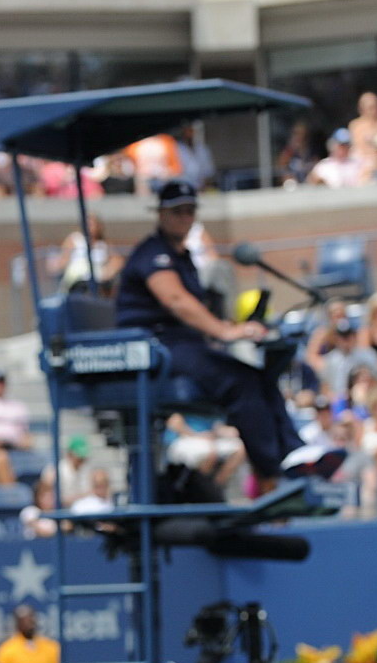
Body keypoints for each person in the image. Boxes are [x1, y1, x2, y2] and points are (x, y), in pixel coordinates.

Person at [114, 180, 300, 484]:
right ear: (161, 213)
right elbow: (176, 301)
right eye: (177, 211)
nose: (185, 217)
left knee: (260, 377)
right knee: (239, 382)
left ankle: (294, 455)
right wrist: (226, 332)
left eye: (190, 211)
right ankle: (270, 475)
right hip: (154, 347)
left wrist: (238, 330)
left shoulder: (184, 257)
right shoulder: (152, 253)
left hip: (184, 345)